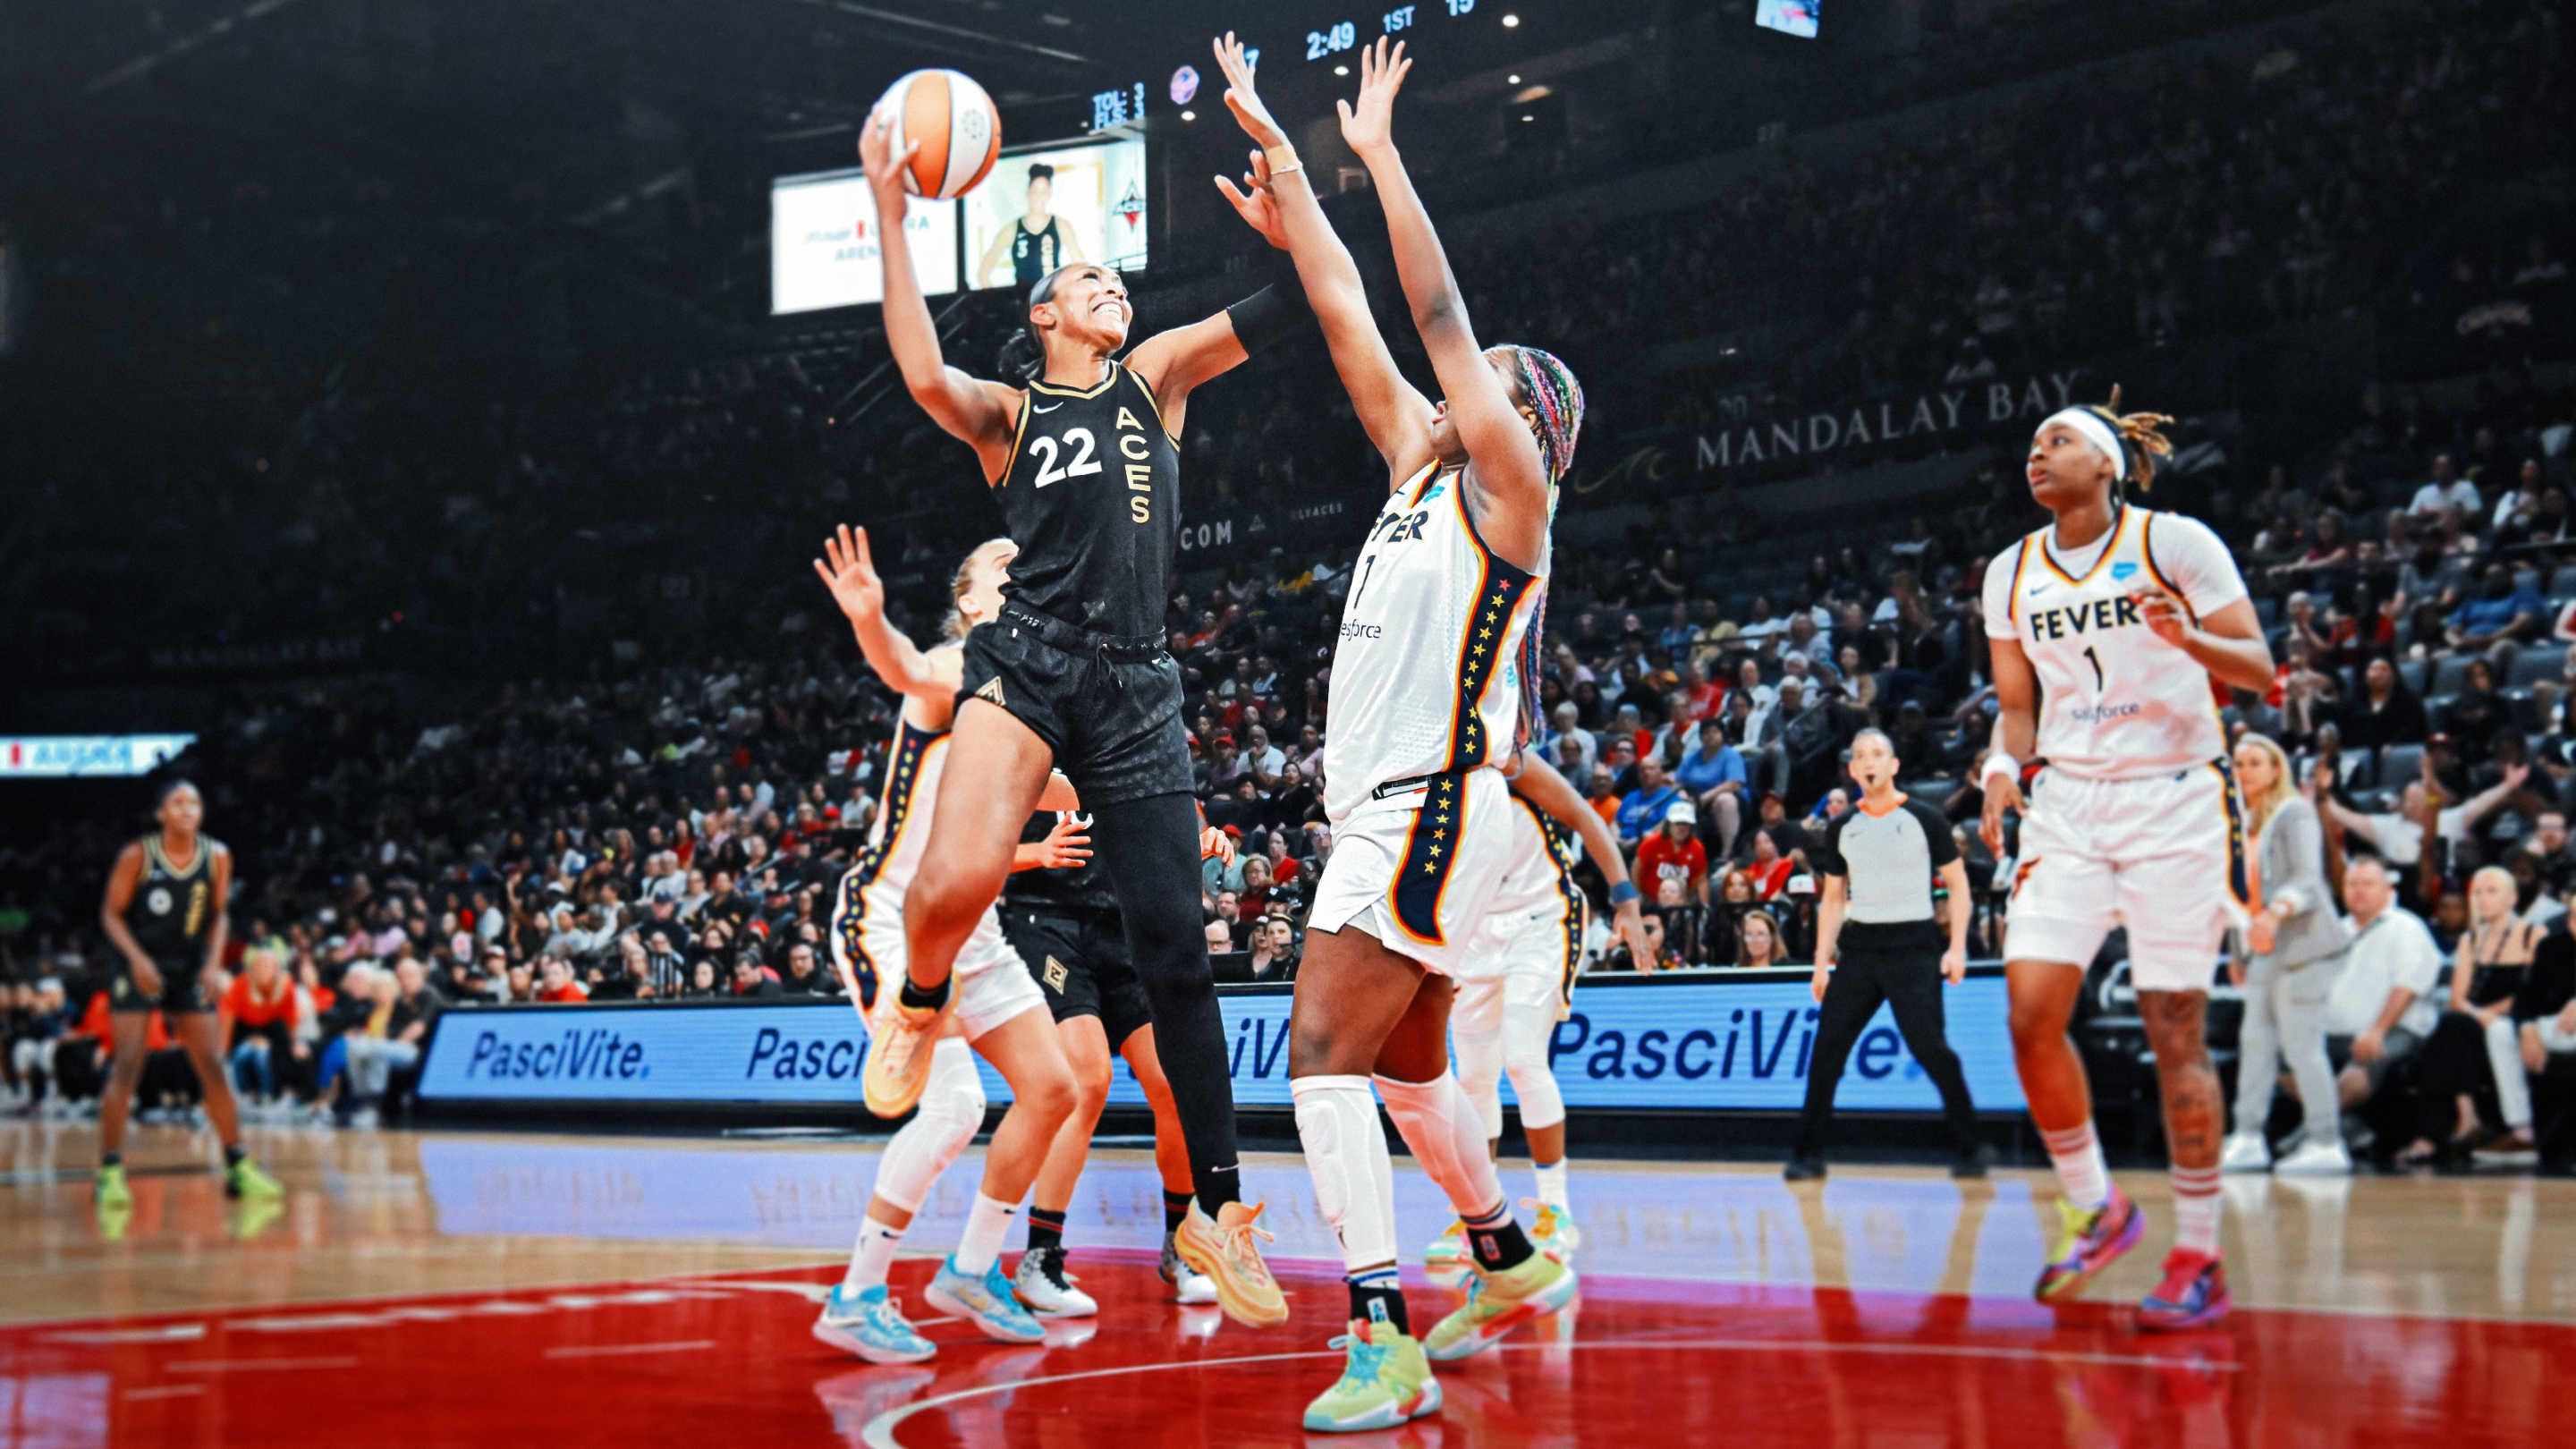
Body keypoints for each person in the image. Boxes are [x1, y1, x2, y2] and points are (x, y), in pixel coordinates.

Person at [852, 76, 1291, 1332]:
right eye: (1087, 280)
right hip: (1034, 655)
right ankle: (919, 1001)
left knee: (1180, 961)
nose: (1112, 288)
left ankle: (1215, 1214)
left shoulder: (1156, 376)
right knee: (955, 877)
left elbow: (1299, 309)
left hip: (1139, 679)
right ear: (1045, 314)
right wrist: (892, 216)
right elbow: (919, 363)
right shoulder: (1010, 414)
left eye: (1115, 279)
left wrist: (1299, 221)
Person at [1214, 35, 1579, 1429]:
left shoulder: (1509, 502)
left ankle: (1381, 1331)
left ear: (1519, 428)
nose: (1448, 391)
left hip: (1427, 804)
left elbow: (1429, 311)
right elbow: (1352, 313)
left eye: (1484, 387)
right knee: (1411, 1061)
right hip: (1418, 811)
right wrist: (1301, 181)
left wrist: (1382, 156)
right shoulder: (1416, 481)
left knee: (1320, 1055)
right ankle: (1503, 1253)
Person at [1979, 390, 2275, 1330]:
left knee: (2172, 1024)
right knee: (2028, 1012)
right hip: (2068, 801)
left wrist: (2190, 638)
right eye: (2031, 444)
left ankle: (2199, 1254)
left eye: (2058, 440)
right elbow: (2017, 707)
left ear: (2105, 464)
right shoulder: (2010, 571)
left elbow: (2259, 667)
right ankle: (2098, 1202)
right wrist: (1998, 764)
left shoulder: (2176, 543)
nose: (2037, 454)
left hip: (2176, 796)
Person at [809, 532, 1089, 1359]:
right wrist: (869, 620)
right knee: (957, 1105)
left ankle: (969, 1270)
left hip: (977, 926)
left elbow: (1071, 789)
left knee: (1053, 1088)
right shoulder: (952, 671)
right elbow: (901, 666)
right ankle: (857, 1294)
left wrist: (1173, 807)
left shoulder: (1033, 702)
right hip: (890, 916)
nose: (1026, 572)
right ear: (971, 604)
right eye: (1006, 568)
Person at [1432, 752, 1652, 1275]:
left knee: (1524, 1059)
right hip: (1470, 934)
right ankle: (1478, 1217)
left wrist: (1627, 904)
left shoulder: (1510, 763)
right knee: (1475, 1079)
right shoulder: (1428, 780)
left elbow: (1586, 817)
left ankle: (1556, 1210)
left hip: (1541, 919)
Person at [1000, 799, 1221, 1315]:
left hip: (1125, 931)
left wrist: (1204, 840)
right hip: (1047, 924)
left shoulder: (1136, 746)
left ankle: (1180, 1247)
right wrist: (1037, 851)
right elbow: (969, 850)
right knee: (1088, 1080)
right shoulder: (1028, 742)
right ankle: (1041, 1258)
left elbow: (1179, 822)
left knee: (1175, 1087)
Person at [1787, 730, 1987, 1180]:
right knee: (1827, 1052)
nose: (1868, 761)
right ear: (1853, 770)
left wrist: (1956, 948)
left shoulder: (1925, 818)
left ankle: (1972, 1147)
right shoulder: (1841, 827)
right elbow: (1834, 900)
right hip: (1859, 950)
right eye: (1860, 756)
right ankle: (1806, 1153)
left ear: (1893, 765)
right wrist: (1821, 962)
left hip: (1914, 947)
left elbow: (1958, 886)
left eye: (1877, 753)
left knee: (1931, 1048)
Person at [94, 780, 283, 1209]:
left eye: (194, 802)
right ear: (160, 813)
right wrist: (138, 961)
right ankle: (109, 1170)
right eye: (177, 803)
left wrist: (214, 964)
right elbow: (110, 914)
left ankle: (238, 1165)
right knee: (127, 1065)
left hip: (187, 965)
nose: (186, 809)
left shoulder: (217, 855)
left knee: (212, 1065)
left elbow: (218, 916)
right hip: (137, 963)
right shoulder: (137, 856)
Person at [2219, 733, 2355, 1175]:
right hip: (2264, 951)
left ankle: (2326, 1141)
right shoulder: (2238, 822)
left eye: (2255, 762)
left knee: (2301, 1046)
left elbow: (2310, 882)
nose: (2245, 771)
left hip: (2307, 946)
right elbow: (2240, 896)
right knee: (2254, 1046)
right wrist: (2238, 954)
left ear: (2276, 769)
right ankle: (2247, 1137)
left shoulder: (2294, 812)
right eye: (2239, 764)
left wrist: (2276, 914)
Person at [2399, 865, 2542, 1166]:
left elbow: (2532, 992)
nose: (2483, 899)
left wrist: (2490, 1013)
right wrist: (2480, 1014)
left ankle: (2438, 1133)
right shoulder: (2470, 939)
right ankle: (2465, 1115)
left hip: (2515, 1026)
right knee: (2451, 1026)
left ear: (2512, 898)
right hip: (2472, 1025)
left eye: (2492, 891)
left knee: (2451, 1031)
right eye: (2477, 892)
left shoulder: (2533, 935)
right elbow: (2457, 998)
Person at [2322, 855, 2445, 1148]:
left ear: (2387, 890)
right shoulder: (2335, 931)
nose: (2359, 890)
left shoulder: (2407, 927)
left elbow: (2409, 986)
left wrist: (2377, 1030)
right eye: (2352, 883)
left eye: (2368, 884)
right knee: (2285, 1054)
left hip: (2394, 1030)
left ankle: (2316, 1136)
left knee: (2361, 1063)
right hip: (2332, 1031)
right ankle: (2345, 1126)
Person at [976, 161, 1085, 289]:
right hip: (1023, 302)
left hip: (1050, 302)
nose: (1039, 197)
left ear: (1049, 194)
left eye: (1043, 192)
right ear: (1028, 192)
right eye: (1035, 191)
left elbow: (1082, 268)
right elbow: (983, 272)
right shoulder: (1011, 230)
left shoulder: (1061, 226)